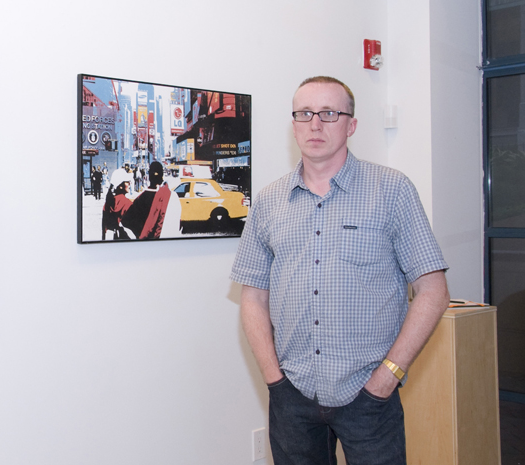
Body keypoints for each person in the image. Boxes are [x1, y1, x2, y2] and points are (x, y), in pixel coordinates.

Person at [231, 76, 450, 465]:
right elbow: (253, 297)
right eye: (304, 113)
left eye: (329, 114)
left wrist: (387, 377)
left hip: (369, 398)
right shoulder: (268, 202)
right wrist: (274, 379)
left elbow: (433, 292)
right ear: (293, 124)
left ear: (351, 125)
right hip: (292, 397)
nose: (315, 124)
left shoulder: (392, 191)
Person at [121, 161, 181, 239]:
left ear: (149, 177)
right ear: (162, 176)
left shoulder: (141, 199)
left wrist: (140, 232)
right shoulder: (172, 196)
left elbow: (126, 221)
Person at [101, 169, 133, 240]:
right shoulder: (126, 203)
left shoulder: (108, 202)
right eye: (127, 182)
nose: (130, 183)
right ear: (120, 186)